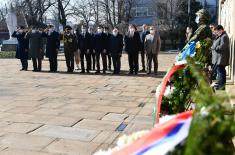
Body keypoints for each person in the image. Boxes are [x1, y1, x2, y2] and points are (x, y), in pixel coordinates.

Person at [211, 25, 230, 90]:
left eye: (217, 31)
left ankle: (221, 86)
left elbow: (222, 46)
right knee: (220, 71)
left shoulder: (224, 36)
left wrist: (215, 47)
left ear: (221, 30)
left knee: (220, 72)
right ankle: (220, 84)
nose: (217, 32)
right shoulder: (221, 36)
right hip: (220, 58)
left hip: (221, 58)